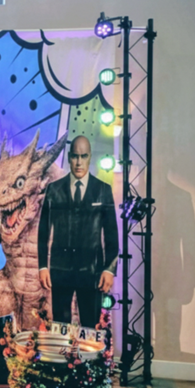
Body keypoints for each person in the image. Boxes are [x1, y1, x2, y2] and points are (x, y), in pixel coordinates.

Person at [37, 135, 119, 328]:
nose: (79, 162)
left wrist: (109, 268)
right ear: (69, 158)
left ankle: (90, 351)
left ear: (90, 157)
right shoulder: (54, 190)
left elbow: (112, 234)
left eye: (83, 156)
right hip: (60, 270)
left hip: (91, 271)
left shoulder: (103, 190)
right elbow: (43, 231)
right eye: (75, 156)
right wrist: (42, 266)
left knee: (90, 327)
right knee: (60, 327)